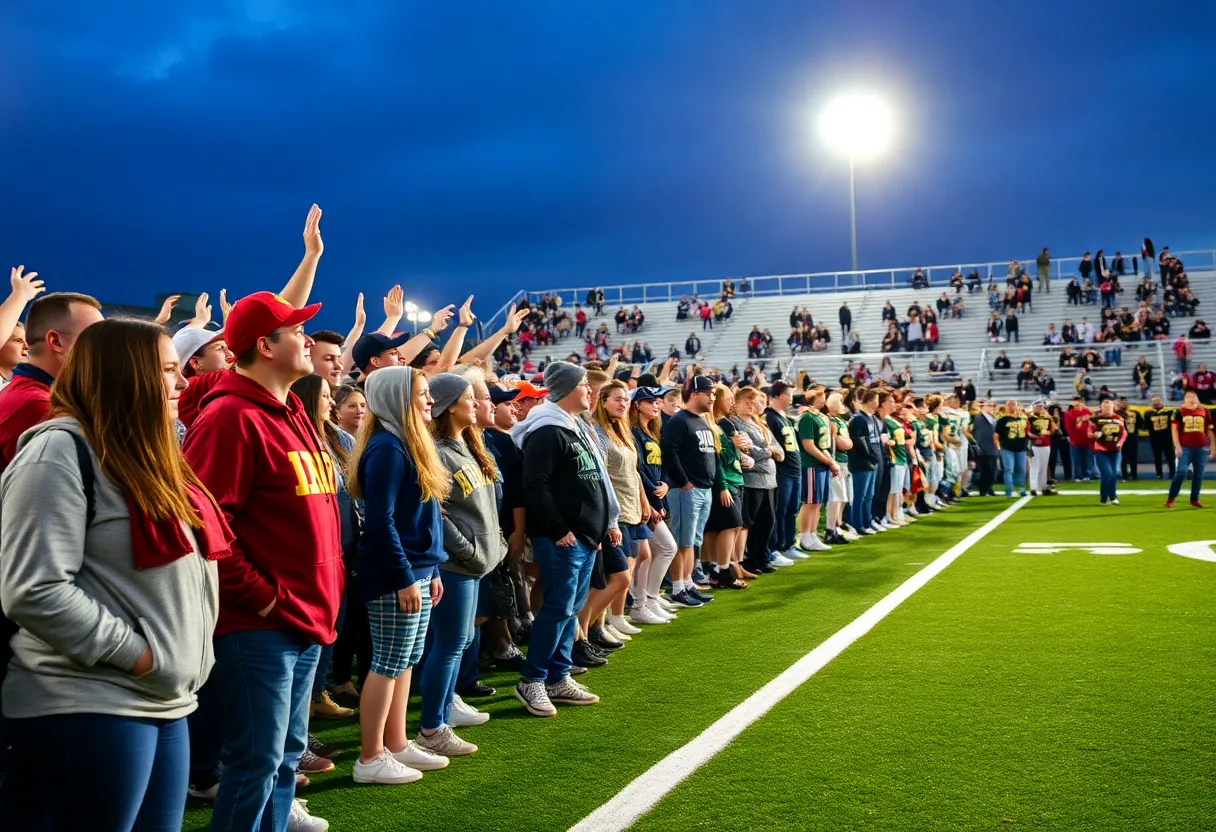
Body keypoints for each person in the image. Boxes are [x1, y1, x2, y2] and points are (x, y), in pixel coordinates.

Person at [0, 318, 231, 831]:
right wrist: (141, 655)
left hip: (165, 701)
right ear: (125, 374)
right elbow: (34, 589)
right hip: (88, 700)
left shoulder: (149, 454)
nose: (182, 382)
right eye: (167, 370)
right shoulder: (57, 452)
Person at [181, 289, 343, 832]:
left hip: (303, 617)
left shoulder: (290, 409)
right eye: (296, 332)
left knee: (283, 759)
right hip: (261, 624)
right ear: (265, 347)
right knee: (255, 762)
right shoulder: (228, 417)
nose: (307, 339)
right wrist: (265, 598)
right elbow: (206, 527)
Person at [347, 367, 451, 784]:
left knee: (405, 659)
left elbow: (421, 517)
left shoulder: (405, 443)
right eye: (423, 394)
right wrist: (406, 576)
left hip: (416, 569)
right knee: (388, 661)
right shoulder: (388, 448)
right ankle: (370, 756)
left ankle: (396, 742)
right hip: (396, 574)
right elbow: (380, 522)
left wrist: (431, 568)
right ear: (397, 399)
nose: (431, 401)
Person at [510, 362, 610, 716]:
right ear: (567, 389)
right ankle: (532, 680)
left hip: (584, 536)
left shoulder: (573, 426)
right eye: (584, 384)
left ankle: (558, 676)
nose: (590, 390)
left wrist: (598, 526)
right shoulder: (547, 430)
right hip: (563, 539)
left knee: (569, 611)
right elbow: (534, 484)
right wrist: (558, 529)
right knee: (556, 610)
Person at [418, 371, 506, 755]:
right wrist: (468, 550)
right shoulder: (435, 451)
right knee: (450, 642)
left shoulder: (467, 444)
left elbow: (484, 506)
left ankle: (445, 707)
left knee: (462, 640)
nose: (476, 403)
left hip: (478, 561)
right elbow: (435, 515)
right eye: (470, 397)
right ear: (450, 405)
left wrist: (494, 544)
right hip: (457, 565)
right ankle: (432, 727)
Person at [0, 290, 104, 472]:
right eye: (94, 338)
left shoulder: (34, 395)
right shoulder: (40, 407)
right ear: (55, 341)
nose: (104, 348)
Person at [660, 375, 720, 606]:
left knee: (692, 541)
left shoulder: (700, 420)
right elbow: (670, 451)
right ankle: (677, 588)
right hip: (686, 490)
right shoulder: (679, 421)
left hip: (703, 488)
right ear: (695, 394)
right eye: (709, 394)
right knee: (682, 541)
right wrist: (684, 481)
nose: (713, 398)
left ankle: (688, 584)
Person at [627, 386, 681, 623]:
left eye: (657, 401)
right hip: (645, 502)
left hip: (656, 498)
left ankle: (649, 600)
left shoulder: (653, 432)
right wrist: (655, 499)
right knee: (666, 548)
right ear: (637, 405)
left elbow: (663, 466)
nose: (656, 405)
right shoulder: (633, 432)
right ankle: (644, 601)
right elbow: (638, 469)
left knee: (655, 552)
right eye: (650, 401)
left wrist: (666, 485)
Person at [763, 381, 802, 564]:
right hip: (782, 470)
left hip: (794, 469)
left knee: (792, 509)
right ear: (779, 395)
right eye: (788, 395)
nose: (791, 399)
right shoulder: (769, 417)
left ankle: (788, 544)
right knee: (780, 510)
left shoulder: (784, 416)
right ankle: (776, 547)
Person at [797, 386, 840, 548]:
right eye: (820, 396)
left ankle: (813, 534)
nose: (823, 399)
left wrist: (831, 462)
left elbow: (823, 445)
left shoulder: (820, 417)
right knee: (810, 502)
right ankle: (804, 535)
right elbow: (809, 445)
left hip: (820, 464)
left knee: (817, 502)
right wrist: (829, 461)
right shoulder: (807, 417)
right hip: (810, 464)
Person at [1165, 391, 1215, 508]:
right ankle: (1171, 497)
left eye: (1194, 396)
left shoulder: (1204, 411)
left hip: (1201, 447)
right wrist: (1177, 446)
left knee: (1199, 473)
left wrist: (1212, 445)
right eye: (1189, 396)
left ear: (1197, 398)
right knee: (1181, 472)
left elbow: (1209, 430)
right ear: (1184, 399)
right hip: (1185, 447)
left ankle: (1194, 499)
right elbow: (1174, 429)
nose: (1192, 398)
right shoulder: (1178, 411)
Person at [1090, 399, 1127, 505]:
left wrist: (1120, 443)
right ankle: (1104, 497)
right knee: (1107, 473)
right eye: (1105, 407)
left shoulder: (1119, 418)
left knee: (1114, 474)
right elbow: (1089, 433)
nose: (1107, 409)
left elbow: (1124, 433)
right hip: (1101, 449)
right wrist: (1094, 435)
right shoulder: (1095, 419)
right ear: (1101, 408)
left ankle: (1112, 496)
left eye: (1109, 407)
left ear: (1113, 408)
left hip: (1115, 449)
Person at [994, 400, 1029, 498]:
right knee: (1009, 469)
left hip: (1021, 448)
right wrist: (998, 446)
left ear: (1017, 406)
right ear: (1005, 407)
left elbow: (1028, 432)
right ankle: (1009, 491)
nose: (1011, 407)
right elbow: (996, 434)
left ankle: (1020, 489)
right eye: (1009, 405)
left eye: (1013, 405)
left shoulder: (1023, 419)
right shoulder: (1002, 420)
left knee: (1021, 470)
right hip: (1007, 448)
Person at [971, 401, 999, 496]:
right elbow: (975, 432)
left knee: (993, 469)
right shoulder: (977, 418)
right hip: (982, 446)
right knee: (985, 469)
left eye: (994, 406)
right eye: (991, 406)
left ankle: (989, 487)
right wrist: (976, 444)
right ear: (984, 407)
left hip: (993, 446)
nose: (993, 408)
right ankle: (983, 489)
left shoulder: (993, 419)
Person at [1145, 396, 1176, 480]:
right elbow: (1146, 426)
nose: (1156, 402)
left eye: (1158, 400)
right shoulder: (1148, 413)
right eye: (1154, 401)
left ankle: (1172, 473)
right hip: (1154, 438)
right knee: (1157, 457)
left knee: (1170, 457)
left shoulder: (1169, 412)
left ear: (1161, 401)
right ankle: (1159, 474)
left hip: (1167, 437)